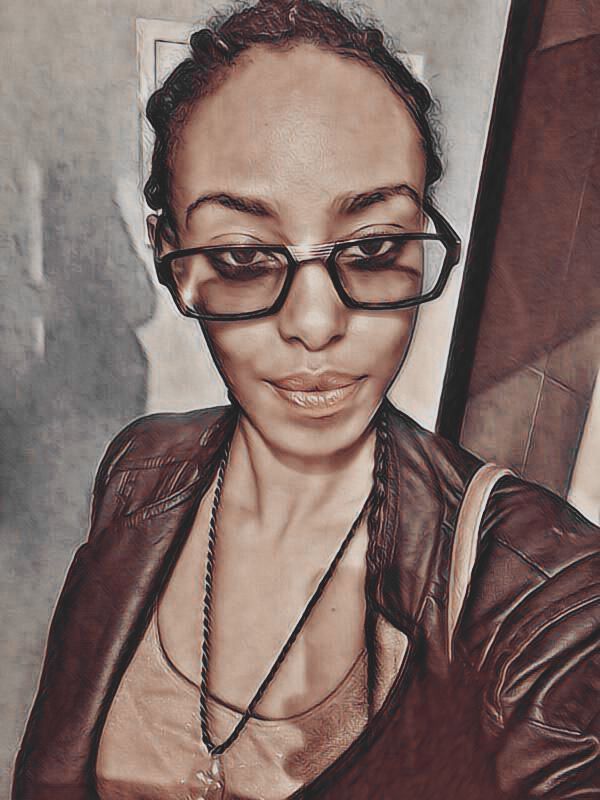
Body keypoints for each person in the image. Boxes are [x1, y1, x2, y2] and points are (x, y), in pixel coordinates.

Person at [12, 1, 600, 798]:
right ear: (172, 258)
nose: (317, 324)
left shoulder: (549, 593)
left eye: (373, 247)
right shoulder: (141, 468)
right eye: (243, 257)